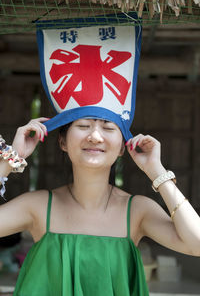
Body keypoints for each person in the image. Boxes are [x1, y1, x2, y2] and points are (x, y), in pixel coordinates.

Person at [0, 116, 200, 296]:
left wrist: (156, 171)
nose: (95, 136)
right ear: (63, 141)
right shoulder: (37, 206)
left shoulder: (138, 210)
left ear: (122, 146)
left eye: (108, 128)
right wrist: (11, 159)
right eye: (84, 125)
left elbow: (196, 245)